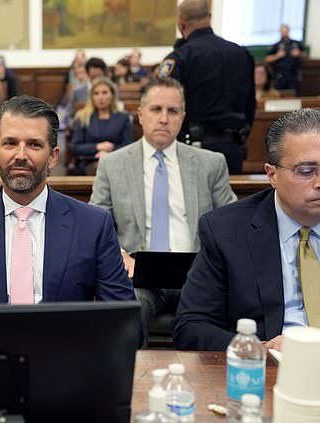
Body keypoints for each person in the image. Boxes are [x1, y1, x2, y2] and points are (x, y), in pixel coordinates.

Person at [0, 95, 135, 305]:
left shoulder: (93, 225)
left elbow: (126, 322)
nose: (20, 155)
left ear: (53, 157)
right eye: (10, 143)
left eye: (34, 145)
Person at [90, 77, 236, 340]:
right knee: (126, 317)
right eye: (156, 110)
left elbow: (231, 223)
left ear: (183, 117)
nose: (164, 119)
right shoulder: (113, 165)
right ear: (141, 115)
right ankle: (132, 380)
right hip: (139, 275)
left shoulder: (211, 164)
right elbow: (95, 225)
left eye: (172, 111)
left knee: (208, 325)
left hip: (197, 272)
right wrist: (120, 255)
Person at [174, 108, 320, 352]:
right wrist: (258, 349)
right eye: (306, 171)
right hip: (268, 367)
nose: (319, 182)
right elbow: (191, 325)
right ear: (272, 175)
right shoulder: (226, 231)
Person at [159, 0, 255, 174]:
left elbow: (163, 102)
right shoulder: (241, 53)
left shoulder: (181, 57)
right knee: (231, 200)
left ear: (181, 24)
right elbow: (250, 105)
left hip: (194, 147)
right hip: (233, 146)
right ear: (209, 16)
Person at [70, 76, 133, 175]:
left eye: (104, 92)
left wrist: (109, 154)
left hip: (117, 161)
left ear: (112, 95)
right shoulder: (83, 117)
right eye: (96, 93)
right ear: (92, 97)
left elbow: (128, 146)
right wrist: (97, 147)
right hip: (89, 161)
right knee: (100, 168)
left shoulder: (123, 117)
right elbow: (75, 147)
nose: (100, 97)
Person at [265, 24, 305, 93]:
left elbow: (304, 55)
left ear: (288, 31)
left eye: (286, 31)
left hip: (293, 74)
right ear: (280, 32)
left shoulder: (296, 43)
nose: (284, 33)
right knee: (278, 95)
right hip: (279, 75)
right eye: (283, 31)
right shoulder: (276, 45)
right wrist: (277, 55)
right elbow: (267, 59)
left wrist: (299, 54)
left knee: (292, 94)